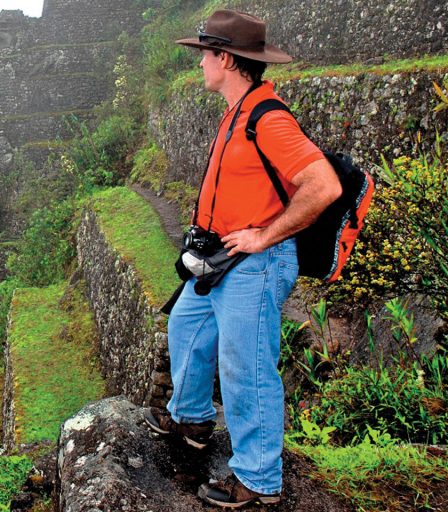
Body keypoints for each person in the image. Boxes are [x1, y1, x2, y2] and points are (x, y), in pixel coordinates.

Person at [142, 9, 342, 509]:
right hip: (219, 258)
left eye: (205, 54)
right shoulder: (237, 109)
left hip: (255, 264)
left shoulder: (267, 118)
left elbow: (323, 185)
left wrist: (264, 235)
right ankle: (190, 419)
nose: (200, 64)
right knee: (186, 326)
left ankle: (258, 480)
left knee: (246, 369)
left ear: (226, 59)